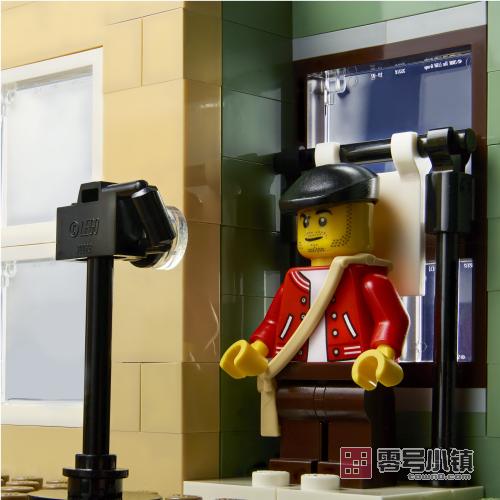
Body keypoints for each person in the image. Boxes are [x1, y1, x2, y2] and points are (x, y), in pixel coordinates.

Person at [220, 163, 410, 487]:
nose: (311, 229)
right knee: (297, 413)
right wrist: (257, 349)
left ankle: (353, 469)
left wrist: (382, 354)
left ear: (359, 218)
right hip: (297, 369)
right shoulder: (294, 280)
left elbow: (392, 318)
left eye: (323, 220)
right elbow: (274, 321)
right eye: (305, 221)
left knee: (354, 417)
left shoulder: (368, 278)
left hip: (353, 370)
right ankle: (295, 465)